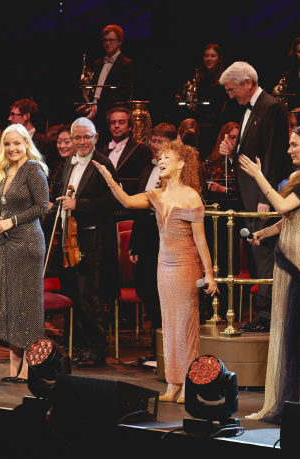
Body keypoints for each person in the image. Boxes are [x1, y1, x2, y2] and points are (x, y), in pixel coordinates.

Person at [95, 140, 218, 402]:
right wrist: (108, 177)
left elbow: (201, 240)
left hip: (186, 266)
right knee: (169, 326)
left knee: (186, 326)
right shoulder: (157, 194)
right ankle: (173, 383)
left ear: (181, 164)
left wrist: (209, 273)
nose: (160, 162)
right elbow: (127, 202)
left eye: (167, 158)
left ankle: (189, 384)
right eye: (159, 158)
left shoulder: (191, 196)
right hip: (164, 267)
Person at [239, 123, 300, 421]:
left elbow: (280, 204)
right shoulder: (296, 177)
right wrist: (265, 233)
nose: (290, 149)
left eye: (296, 145)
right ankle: (283, 402)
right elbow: (287, 218)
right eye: (290, 144)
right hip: (286, 258)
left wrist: (258, 177)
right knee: (283, 329)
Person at [218, 61, 290, 333]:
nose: (230, 95)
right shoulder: (250, 108)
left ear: (248, 83)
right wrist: (232, 149)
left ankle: (268, 314)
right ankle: (263, 312)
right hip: (248, 193)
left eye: (232, 89)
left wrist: (266, 198)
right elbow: (251, 149)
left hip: (262, 195)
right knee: (255, 250)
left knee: (264, 254)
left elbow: (273, 157)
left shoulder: (271, 107)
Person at [48, 118, 122, 367]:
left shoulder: (103, 163)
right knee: (74, 293)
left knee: (88, 294)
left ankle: (98, 349)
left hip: (93, 237)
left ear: (95, 137)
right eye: (76, 137)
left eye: (85, 137)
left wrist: (78, 204)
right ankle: (82, 344)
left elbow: (112, 202)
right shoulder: (69, 163)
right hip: (71, 236)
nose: (81, 142)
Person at [0, 124, 49, 380]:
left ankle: (29, 364)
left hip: (27, 242)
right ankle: (14, 363)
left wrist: (11, 222)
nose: (12, 148)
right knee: (10, 303)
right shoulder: (5, 170)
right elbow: (3, 205)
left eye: (17, 143)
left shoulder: (33, 169)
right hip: (4, 242)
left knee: (27, 303)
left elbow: (42, 207)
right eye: (7, 144)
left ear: (27, 143)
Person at [130, 123, 178, 360]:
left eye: (160, 141)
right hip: (147, 238)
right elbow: (138, 211)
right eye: (153, 140)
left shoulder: (179, 171)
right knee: (145, 288)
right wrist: (134, 243)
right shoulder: (146, 170)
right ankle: (156, 346)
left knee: (164, 293)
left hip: (168, 237)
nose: (154, 145)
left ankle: (165, 349)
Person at [81, 24, 136, 121]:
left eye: (111, 40)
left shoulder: (127, 64)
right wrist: (87, 105)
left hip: (112, 115)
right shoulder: (97, 64)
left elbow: (124, 94)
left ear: (120, 41)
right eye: (105, 40)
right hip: (93, 112)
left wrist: (99, 108)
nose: (108, 43)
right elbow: (92, 92)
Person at [97, 107, 153, 195]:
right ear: (109, 127)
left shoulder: (142, 151)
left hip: (128, 204)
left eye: (121, 122)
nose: (116, 125)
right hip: (104, 204)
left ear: (130, 127)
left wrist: (120, 187)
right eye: (113, 122)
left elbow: (145, 182)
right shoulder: (100, 151)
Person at [8, 99, 55, 166]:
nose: (9, 118)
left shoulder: (46, 143)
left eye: (13, 115)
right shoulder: (7, 140)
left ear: (26, 116)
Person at [203, 122, 239, 200]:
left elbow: (247, 187)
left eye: (238, 137)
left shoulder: (243, 160)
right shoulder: (210, 161)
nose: (236, 141)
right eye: (232, 137)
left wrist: (224, 189)